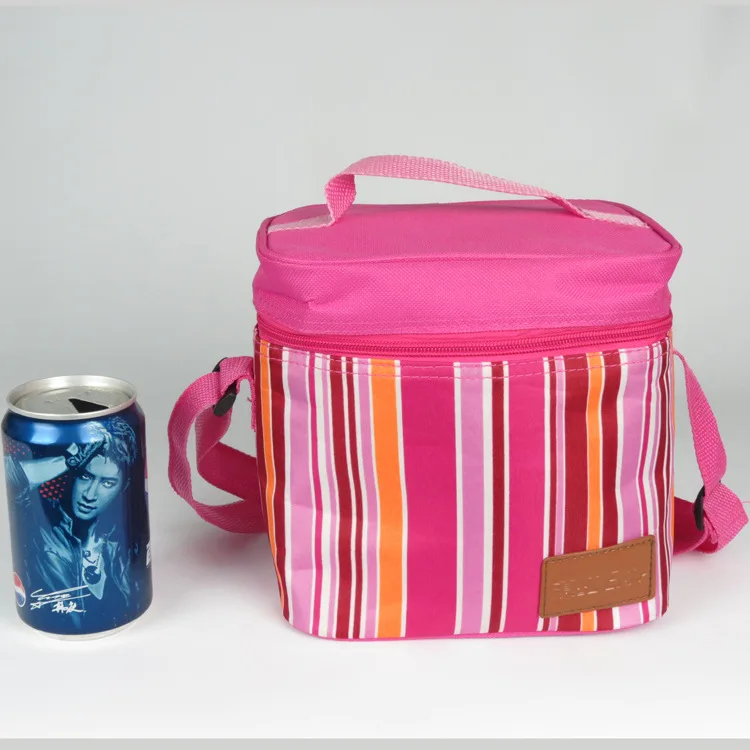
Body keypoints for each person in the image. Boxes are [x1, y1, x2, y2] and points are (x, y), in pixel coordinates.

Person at [4, 417, 138, 625]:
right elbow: (13, 476)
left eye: (107, 483)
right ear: (72, 475)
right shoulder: (42, 526)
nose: (90, 495)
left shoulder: (122, 542)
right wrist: (66, 460)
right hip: (50, 625)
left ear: (124, 486)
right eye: (85, 477)